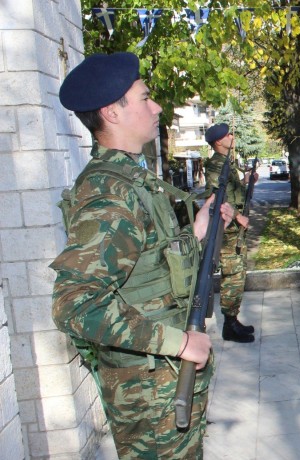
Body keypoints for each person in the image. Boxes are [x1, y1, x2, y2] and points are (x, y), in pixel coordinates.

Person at [51, 52, 234, 458]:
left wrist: (198, 230)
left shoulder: (131, 180)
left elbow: (147, 264)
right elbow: (75, 304)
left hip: (162, 384)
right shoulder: (108, 193)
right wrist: (179, 342)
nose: (157, 107)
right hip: (149, 394)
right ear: (111, 113)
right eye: (145, 98)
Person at [203, 124, 256, 343]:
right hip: (228, 231)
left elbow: (234, 192)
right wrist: (237, 216)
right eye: (228, 135)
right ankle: (229, 326)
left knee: (238, 274)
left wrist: (247, 182)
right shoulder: (216, 166)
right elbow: (218, 198)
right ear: (218, 142)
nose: (232, 137)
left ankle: (232, 320)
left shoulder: (226, 163)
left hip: (236, 231)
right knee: (232, 275)